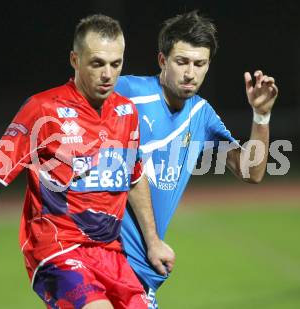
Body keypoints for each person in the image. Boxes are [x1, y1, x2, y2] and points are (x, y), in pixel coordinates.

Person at [0, 14, 175, 309]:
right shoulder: (43, 110)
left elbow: (134, 179)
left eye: (116, 63)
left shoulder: (126, 112)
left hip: (110, 254)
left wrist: (153, 241)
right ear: (75, 59)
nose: (108, 74)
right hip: (57, 250)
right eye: (97, 63)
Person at [114, 10, 278, 307]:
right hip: (106, 261)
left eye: (199, 64)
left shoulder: (201, 114)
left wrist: (261, 115)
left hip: (144, 271)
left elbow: (251, 171)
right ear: (163, 61)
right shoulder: (127, 92)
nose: (190, 73)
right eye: (182, 62)